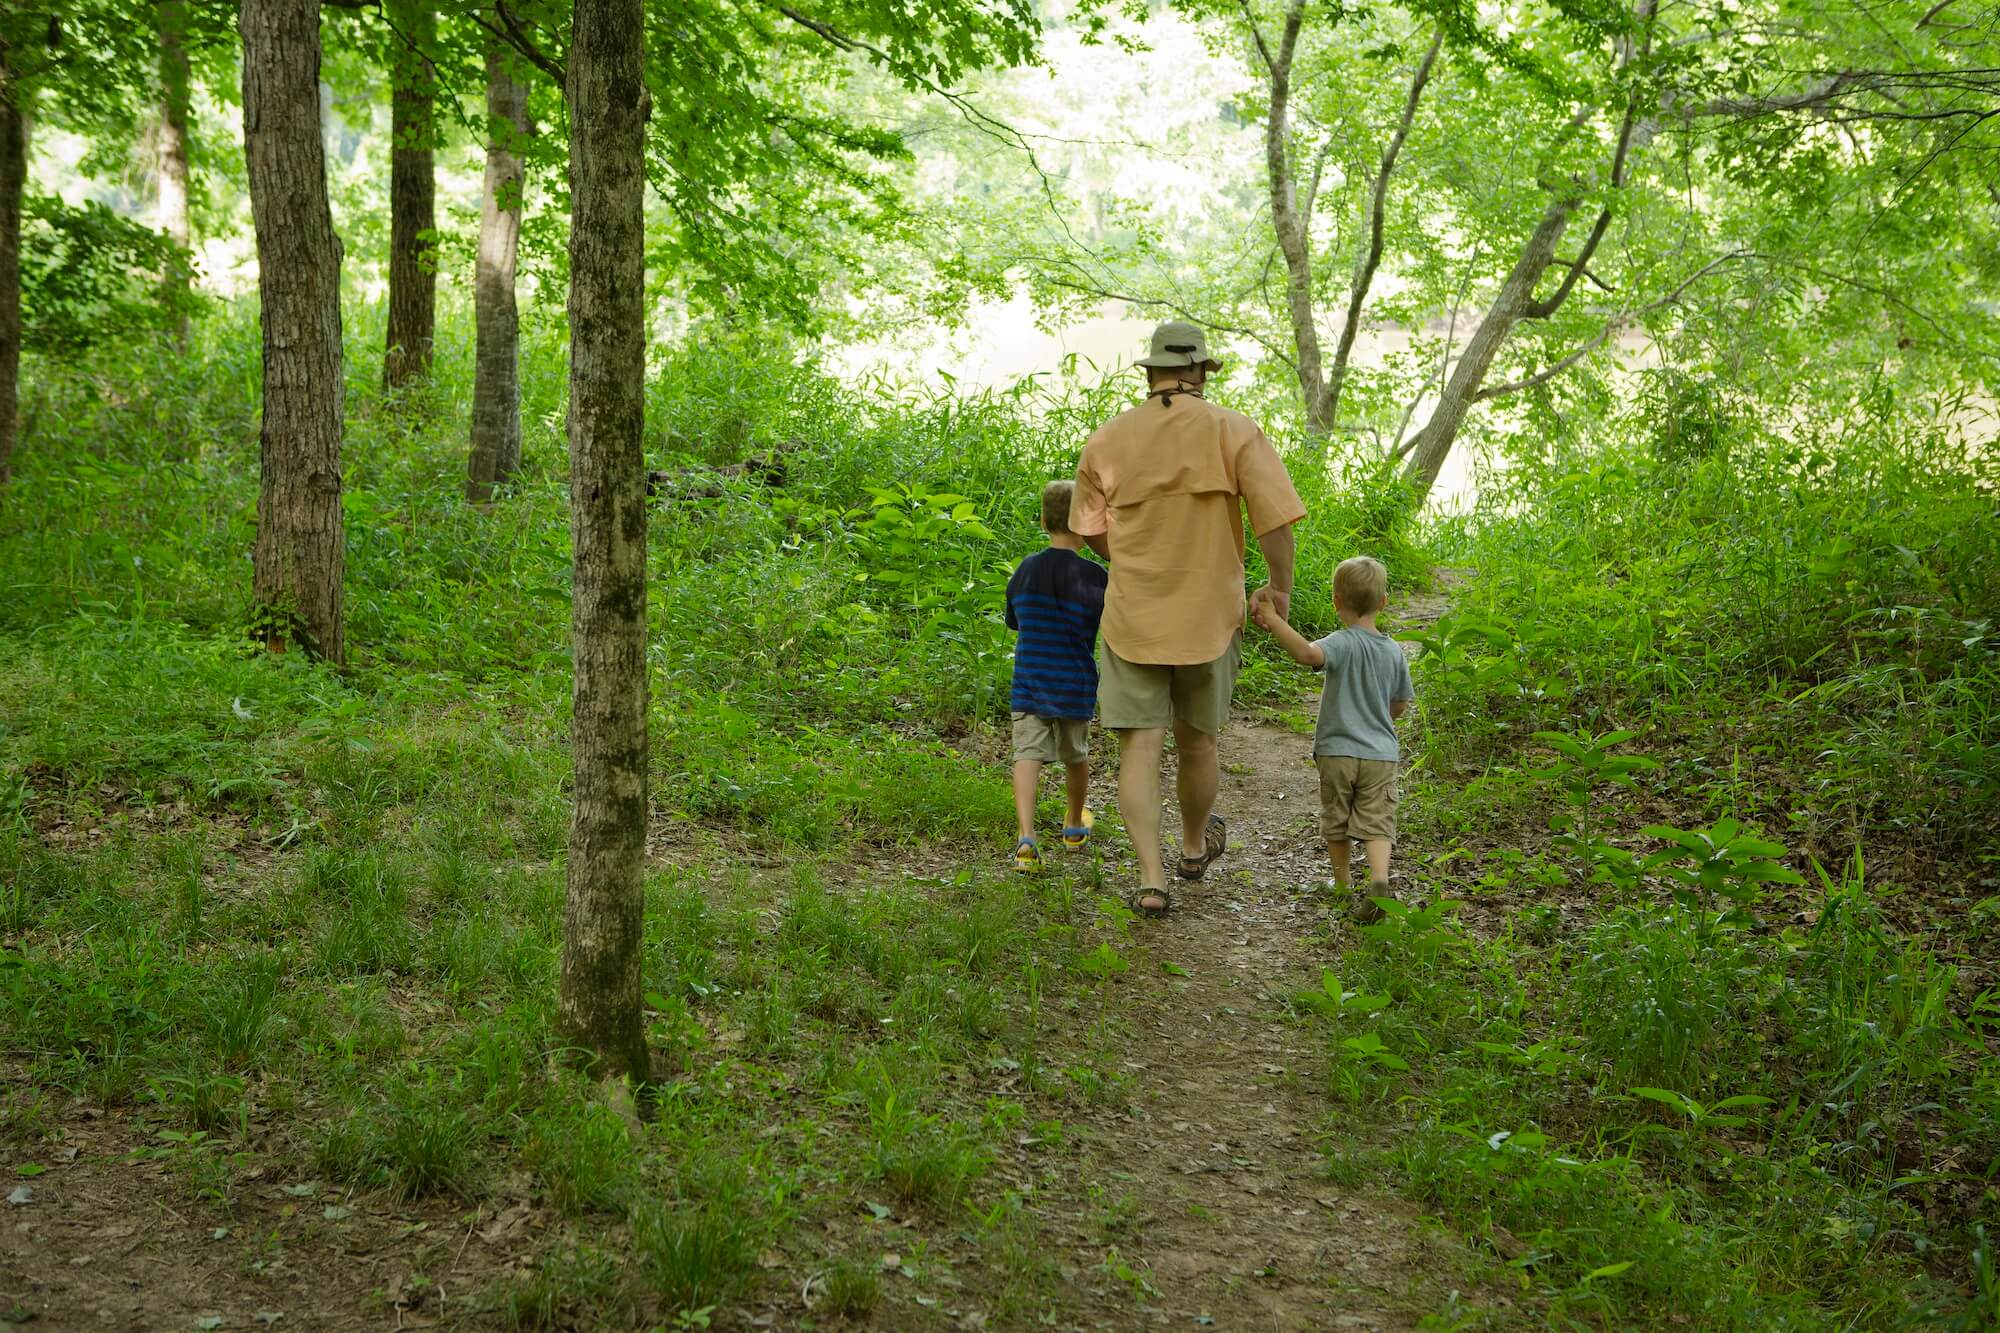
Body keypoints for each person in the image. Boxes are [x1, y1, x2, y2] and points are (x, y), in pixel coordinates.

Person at [1069, 321, 1306, 916]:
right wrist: (1278, 590)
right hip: (1210, 616)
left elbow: (1091, 533)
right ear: (1200, 372)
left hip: (1133, 619)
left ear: (1150, 373)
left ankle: (1152, 879)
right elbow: (1274, 524)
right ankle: (1195, 848)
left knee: (1138, 749)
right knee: (1198, 742)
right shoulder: (1235, 431)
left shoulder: (1107, 440)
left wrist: (1136, 560)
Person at [1250, 555, 1415, 923]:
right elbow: (1400, 703)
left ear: (1336, 602)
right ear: (1383, 602)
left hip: (1337, 751)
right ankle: (1378, 881)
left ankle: (1341, 885)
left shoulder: (1340, 643)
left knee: (1337, 818)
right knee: (1377, 820)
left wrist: (1275, 620)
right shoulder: (1393, 651)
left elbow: (1307, 654)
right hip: (1380, 755)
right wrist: (1380, 721)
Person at [1004, 479, 1109, 874]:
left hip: (1031, 680)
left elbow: (1013, 618)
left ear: (1044, 521)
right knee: (1076, 755)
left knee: (1027, 755)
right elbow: (1108, 624)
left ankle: (1026, 837)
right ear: (1086, 521)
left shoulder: (1027, 570)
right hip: (1075, 682)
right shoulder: (1096, 576)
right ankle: (1072, 824)